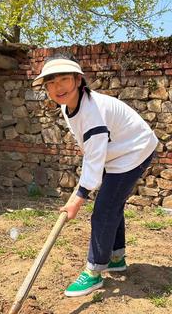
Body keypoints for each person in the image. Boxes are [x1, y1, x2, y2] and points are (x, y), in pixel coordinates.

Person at [32, 55, 158, 297]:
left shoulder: (93, 114)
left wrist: (77, 198)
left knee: (103, 211)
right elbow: (92, 151)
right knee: (112, 205)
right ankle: (116, 258)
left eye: (65, 79)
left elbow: (94, 154)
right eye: (51, 83)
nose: (58, 87)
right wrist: (89, 173)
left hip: (134, 152)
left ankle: (93, 272)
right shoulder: (69, 105)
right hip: (118, 150)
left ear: (79, 80)